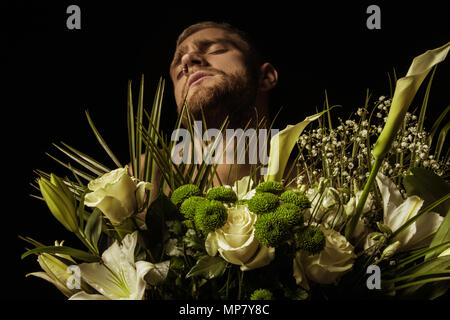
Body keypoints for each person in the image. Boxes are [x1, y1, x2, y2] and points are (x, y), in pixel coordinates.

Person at [167, 21, 279, 185]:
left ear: (266, 77)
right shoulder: (141, 179)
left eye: (215, 49)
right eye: (178, 72)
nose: (186, 61)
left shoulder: (319, 187)